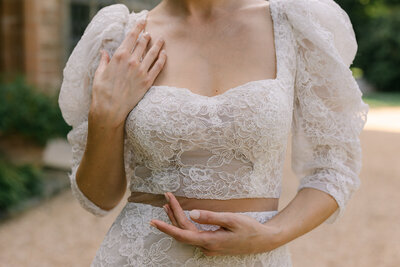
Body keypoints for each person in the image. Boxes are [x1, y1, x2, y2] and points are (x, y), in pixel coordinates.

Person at [58, 0, 369, 266]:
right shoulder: (123, 39)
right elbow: (97, 199)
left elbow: (333, 169)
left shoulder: (293, 26)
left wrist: (271, 235)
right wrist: (105, 116)